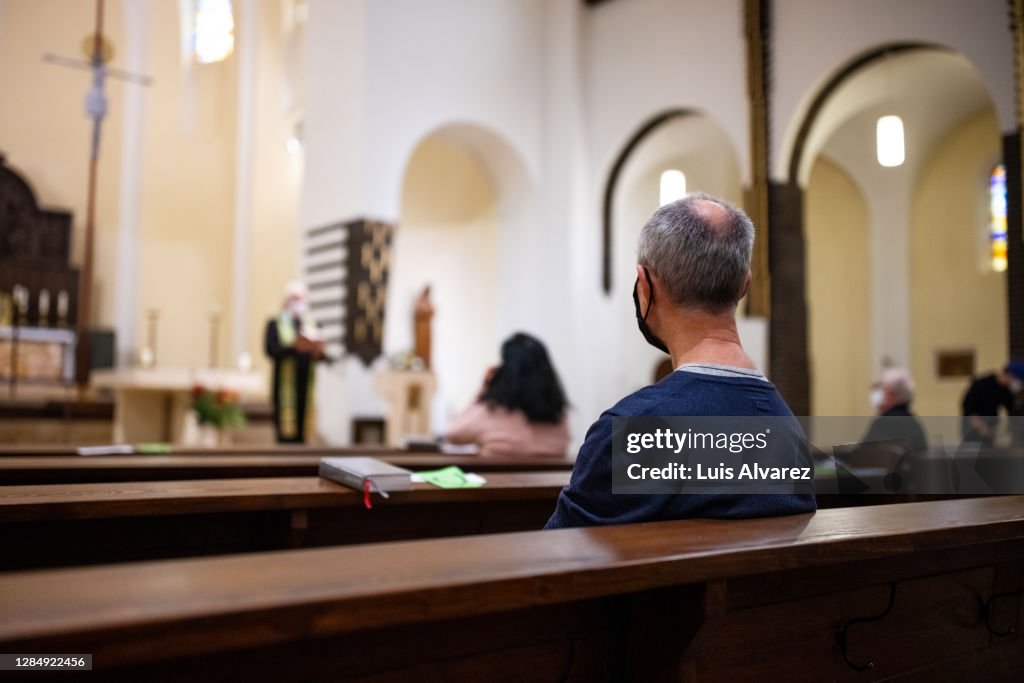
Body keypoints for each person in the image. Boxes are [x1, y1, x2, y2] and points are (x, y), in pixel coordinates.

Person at [545, 193, 816, 529]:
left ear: (644, 285)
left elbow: (558, 559)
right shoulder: (787, 433)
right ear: (744, 286)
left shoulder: (629, 432)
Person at [446, 332, 571, 458]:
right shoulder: (558, 414)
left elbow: (454, 434)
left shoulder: (493, 409)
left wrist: (485, 388)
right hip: (553, 478)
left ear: (506, 369)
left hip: (494, 477)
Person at [264, 281, 325, 443]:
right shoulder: (275, 323)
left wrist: (319, 351)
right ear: (286, 300)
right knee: (285, 434)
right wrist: (294, 347)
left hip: (306, 384)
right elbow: (270, 350)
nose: (299, 302)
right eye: (295, 298)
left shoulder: (312, 324)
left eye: (302, 298)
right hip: (285, 385)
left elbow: (321, 356)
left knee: (304, 432)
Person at [861, 367, 928, 453]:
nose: (877, 393)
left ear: (894, 394)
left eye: (882, 389)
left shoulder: (884, 423)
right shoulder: (913, 423)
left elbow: (862, 455)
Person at [961, 360, 1024, 446]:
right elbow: (968, 410)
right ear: (1009, 375)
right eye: (1018, 380)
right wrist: (982, 428)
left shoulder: (1005, 391)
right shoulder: (982, 385)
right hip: (973, 435)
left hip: (990, 434)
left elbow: (1013, 411)